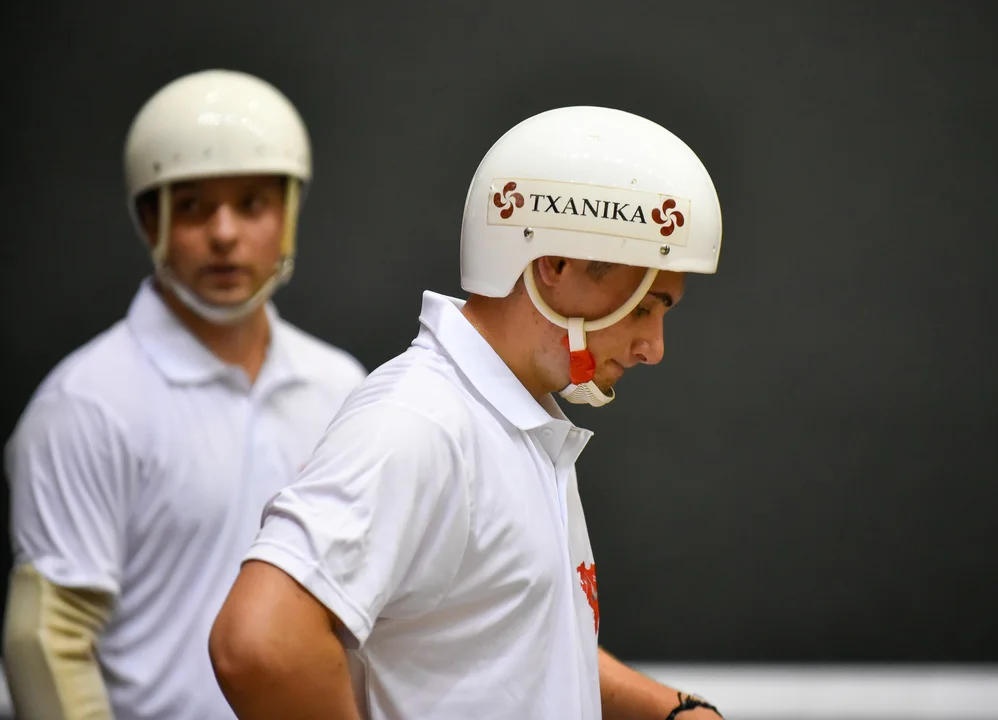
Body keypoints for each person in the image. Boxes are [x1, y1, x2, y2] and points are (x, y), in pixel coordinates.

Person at [209, 105, 725, 720]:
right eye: (644, 307)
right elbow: (258, 644)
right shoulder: (420, 422)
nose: (654, 348)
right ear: (554, 266)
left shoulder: (510, 420)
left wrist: (671, 711)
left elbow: (511, 640)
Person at [2, 69, 367, 720]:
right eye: (193, 206)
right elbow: (47, 643)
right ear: (151, 219)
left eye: (252, 204)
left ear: (287, 213)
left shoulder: (340, 387)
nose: (224, 233)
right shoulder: (86, 405)